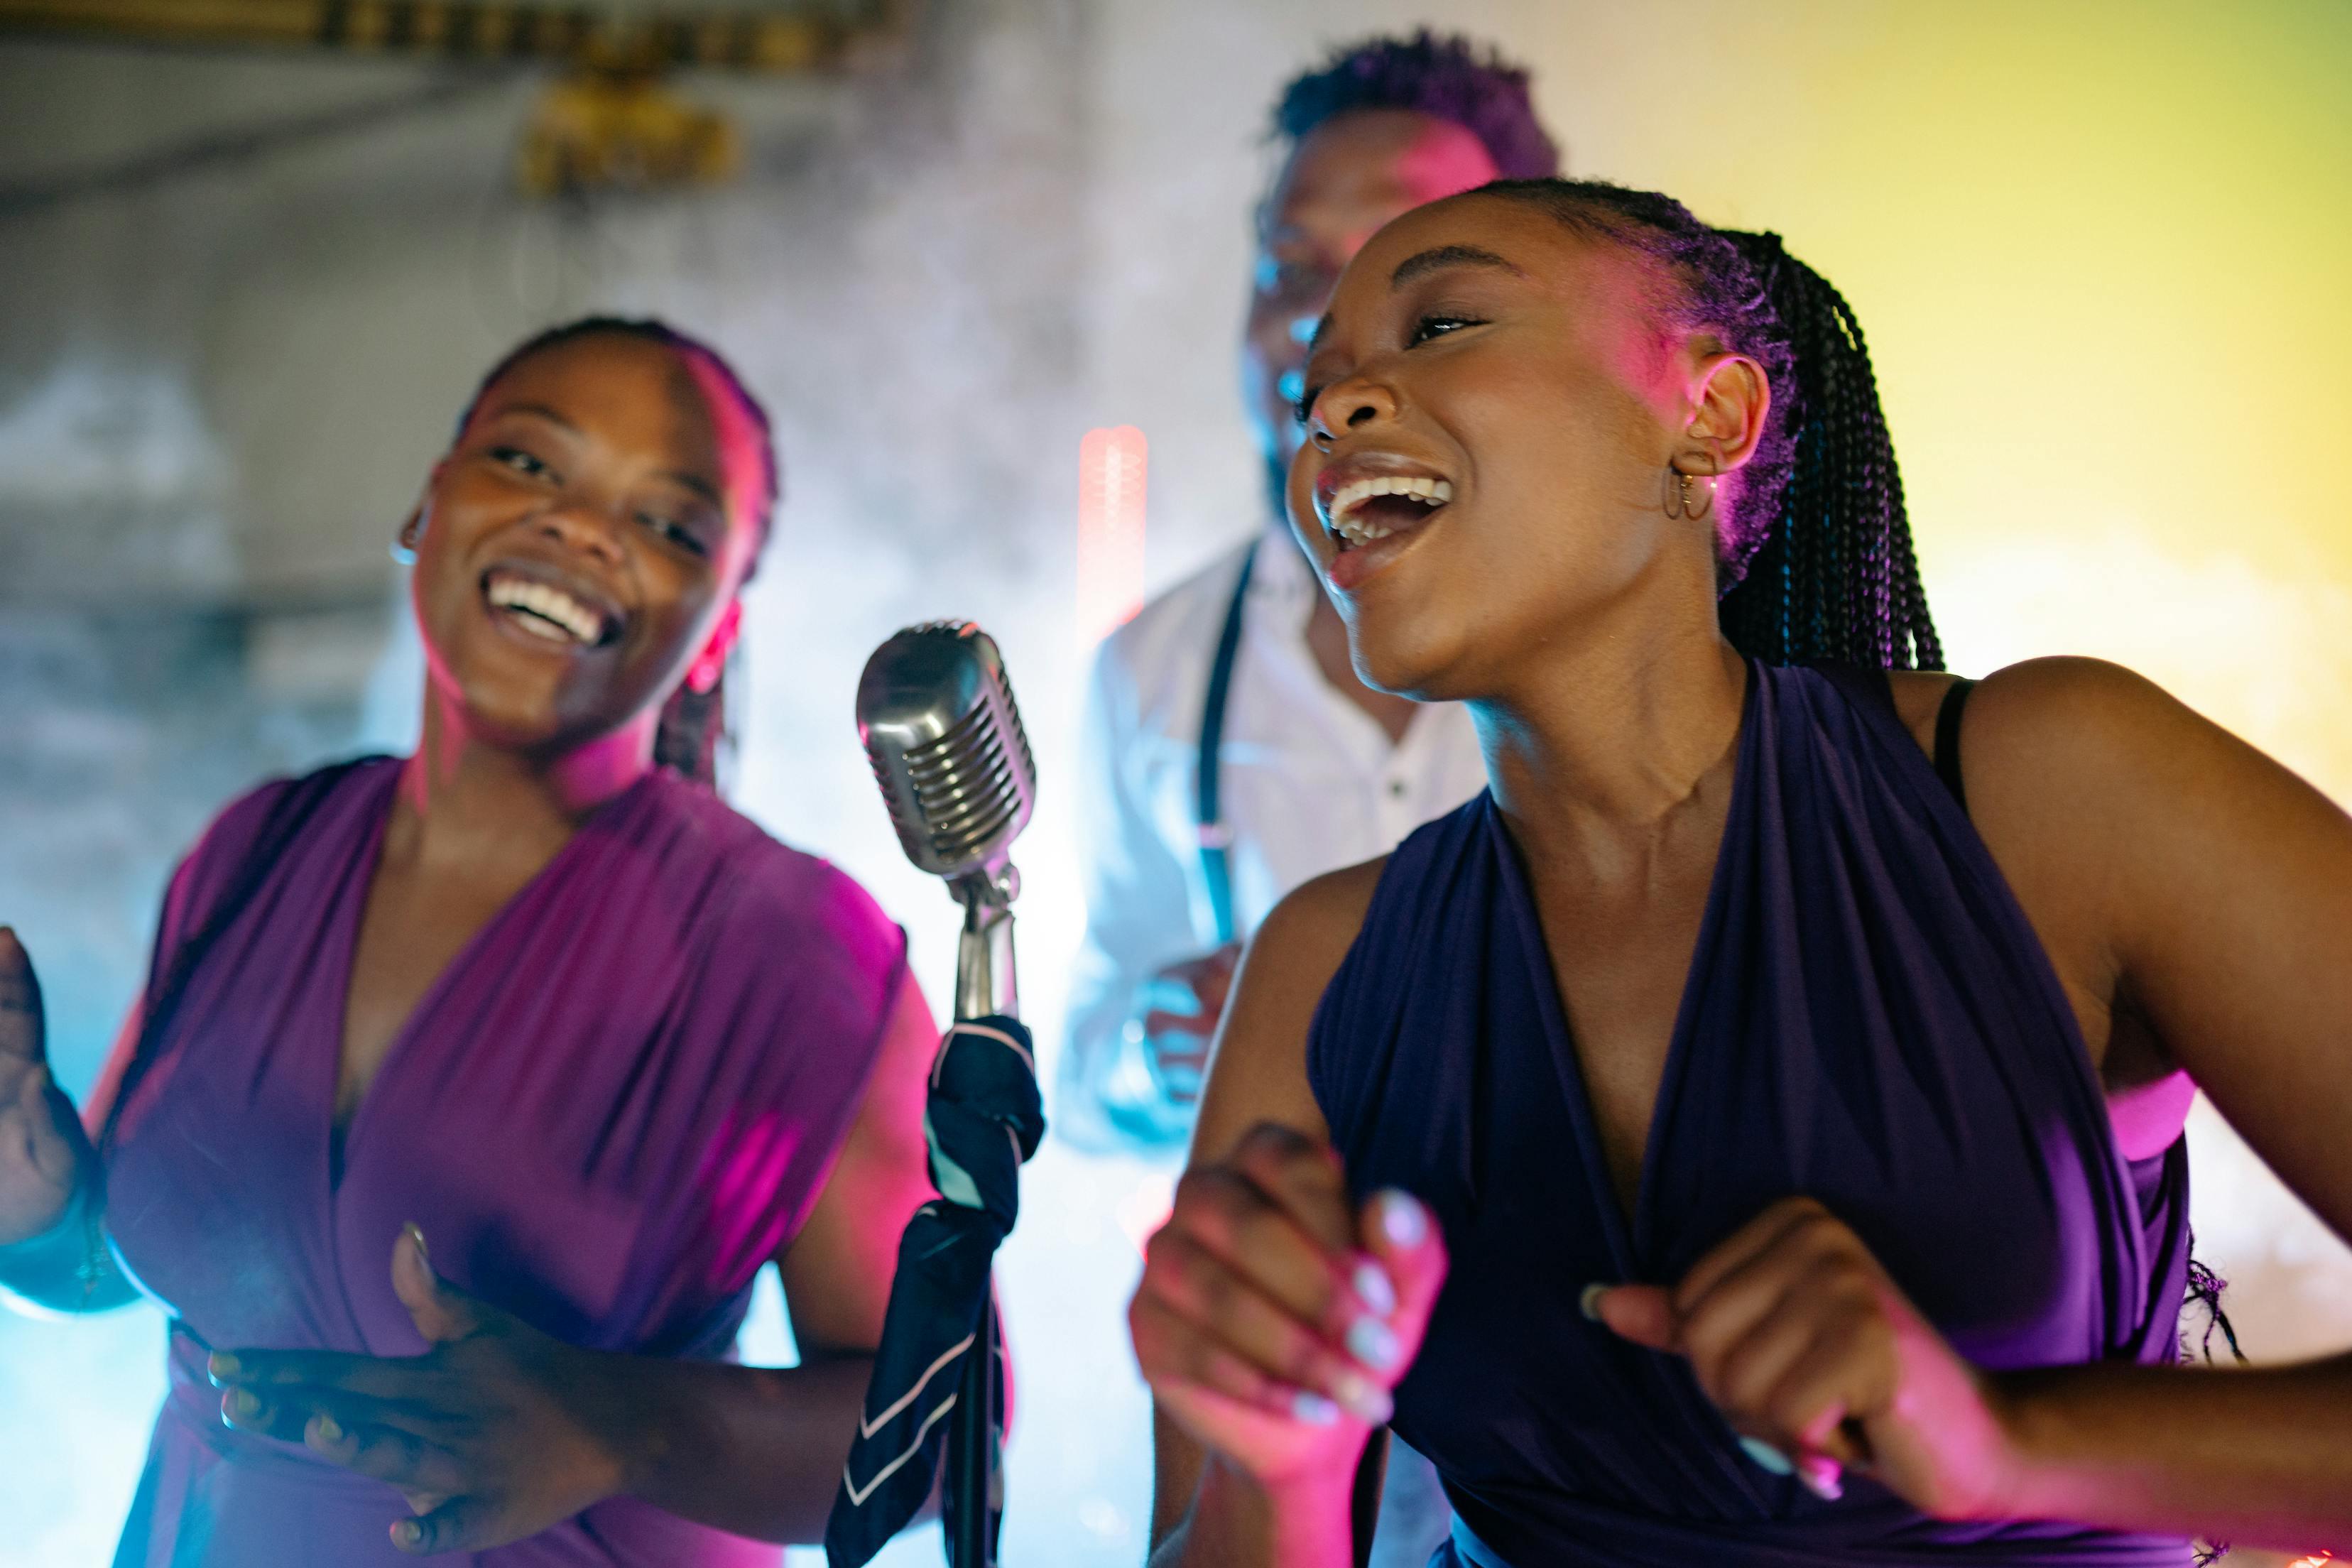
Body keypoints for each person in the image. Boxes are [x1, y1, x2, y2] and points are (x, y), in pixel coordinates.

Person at [1129, 178, 2352, 1567]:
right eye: (1317, 389)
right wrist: (1280, 1471)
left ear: (1709, 418)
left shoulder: (2057, 790)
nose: (1336, 408)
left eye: (1444, 324)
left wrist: (2011, 1441)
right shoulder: (1323, 966)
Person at [0, 317, 943, 1566]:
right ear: (429, 504)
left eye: (668, 524)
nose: (584, 529)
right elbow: (114, 1268)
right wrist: (31, 1205)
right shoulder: (256, 851)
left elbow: (946, 1438)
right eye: (531, 463)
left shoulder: (794, 951)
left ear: (717, 629)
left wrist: (625, 1427)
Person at [1060, 31, 1560, 1155]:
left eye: (1403, 268)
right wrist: (1152, 1048)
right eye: (1288, 267)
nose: (1318, 324)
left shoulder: (1663, 640)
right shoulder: (1152, 667)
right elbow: (1085, 1075)